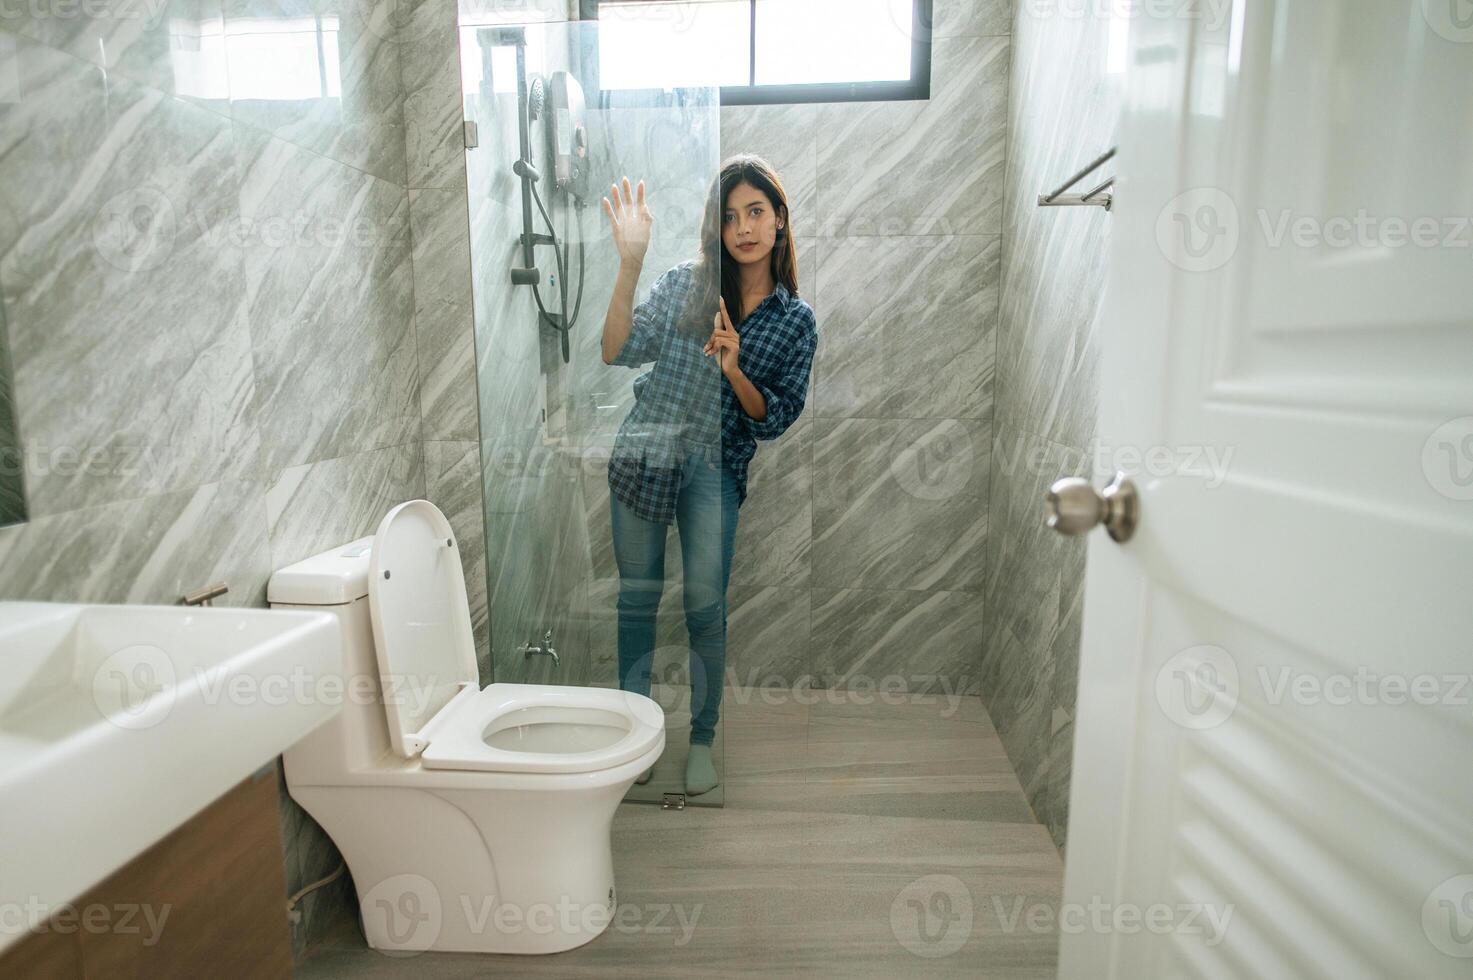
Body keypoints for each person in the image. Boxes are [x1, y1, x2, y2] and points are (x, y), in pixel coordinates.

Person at [599, 155, 817, 794]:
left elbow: (773, 419)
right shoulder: (682, 285)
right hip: (645, 452)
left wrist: (734, 369)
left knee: (704, 606)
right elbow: (614, 351)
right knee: (636, 598)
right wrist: (630, 264)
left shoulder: (794, 321)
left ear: (778, 219)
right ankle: (632, 739)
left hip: (715, 468)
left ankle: (701, 738)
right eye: (729, 216)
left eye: (756, 211)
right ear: (715, 228)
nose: (743, 228)